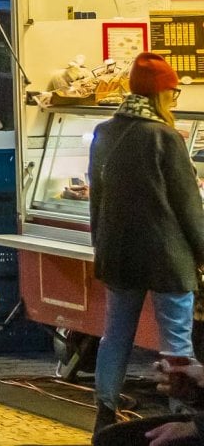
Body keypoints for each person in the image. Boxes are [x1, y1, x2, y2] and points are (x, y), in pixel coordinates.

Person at [90, 52, 204, 434]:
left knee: (115, 335)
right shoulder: (165, 137)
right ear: (159, 95)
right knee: (176, 342)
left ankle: (105, 412)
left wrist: (101, 247)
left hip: (119, 255)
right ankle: (182, 417)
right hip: (167, 257)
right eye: (172, 93)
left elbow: (96, 198)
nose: (174, 100)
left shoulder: (104, 132)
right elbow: (188, 206)